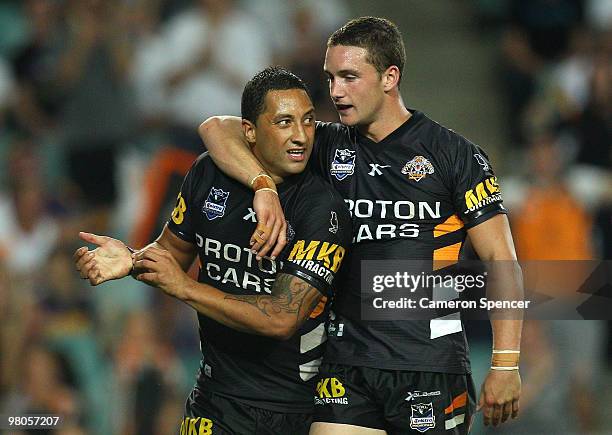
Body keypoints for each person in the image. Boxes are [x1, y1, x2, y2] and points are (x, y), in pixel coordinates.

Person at [199, 17, 523, 434]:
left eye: (349, 77)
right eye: (331, 78)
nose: (335, 91)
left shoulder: (453, 154)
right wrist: (262, 185)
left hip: (428, 364)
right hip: (344, 364)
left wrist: (506, 363)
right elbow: (217, 127)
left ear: (390, 77)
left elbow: (501, 258)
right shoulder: (325, 144)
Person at [74, 66, 352, 435]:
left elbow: (281, 318)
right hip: (215, 398)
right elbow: (172, 254)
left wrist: (186, 288)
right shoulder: (208, 174)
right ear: (249, 131)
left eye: (308, 122)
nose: (301, 136)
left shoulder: (322, 208)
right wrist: (132, 259)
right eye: (284, 122)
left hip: (291, 408)